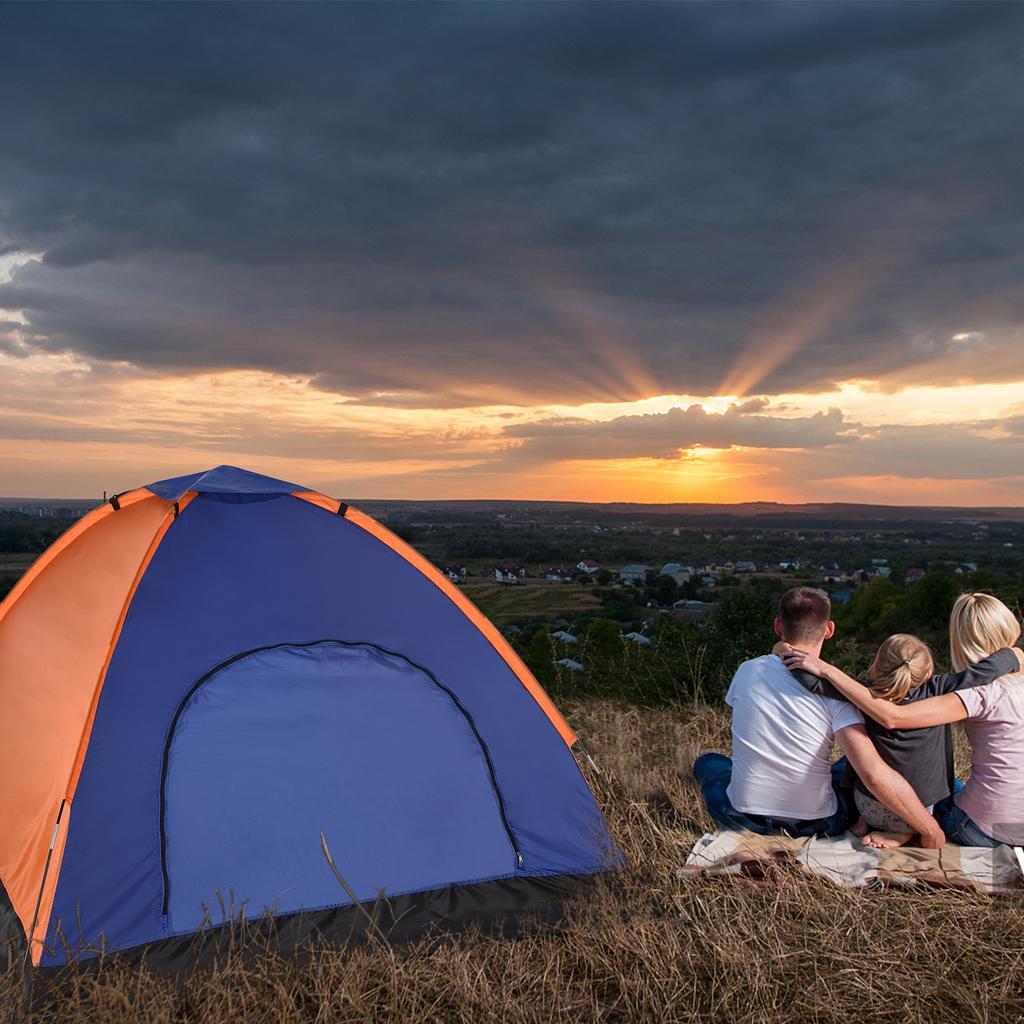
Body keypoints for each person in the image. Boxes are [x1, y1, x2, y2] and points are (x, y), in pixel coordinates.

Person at [693, 586, 945, 847]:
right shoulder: (837, 694)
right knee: (849, 765)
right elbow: (872, 774)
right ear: (829, 629)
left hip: (743, 817)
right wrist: (930, 829)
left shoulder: (747, 670)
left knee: (709, 763)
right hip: (816, 823)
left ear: (778, 626)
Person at [779, 593, 1024, 848]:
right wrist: (1013, 654)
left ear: (876, 665)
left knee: (849, 764)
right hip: (929, 806)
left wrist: (787, 651)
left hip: (877, 806)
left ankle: (866, 820)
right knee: (946, 787)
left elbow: (819, 685)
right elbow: (978, 674)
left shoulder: (864, 691)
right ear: (927, 672)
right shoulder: (941, 688)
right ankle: (904, 829)